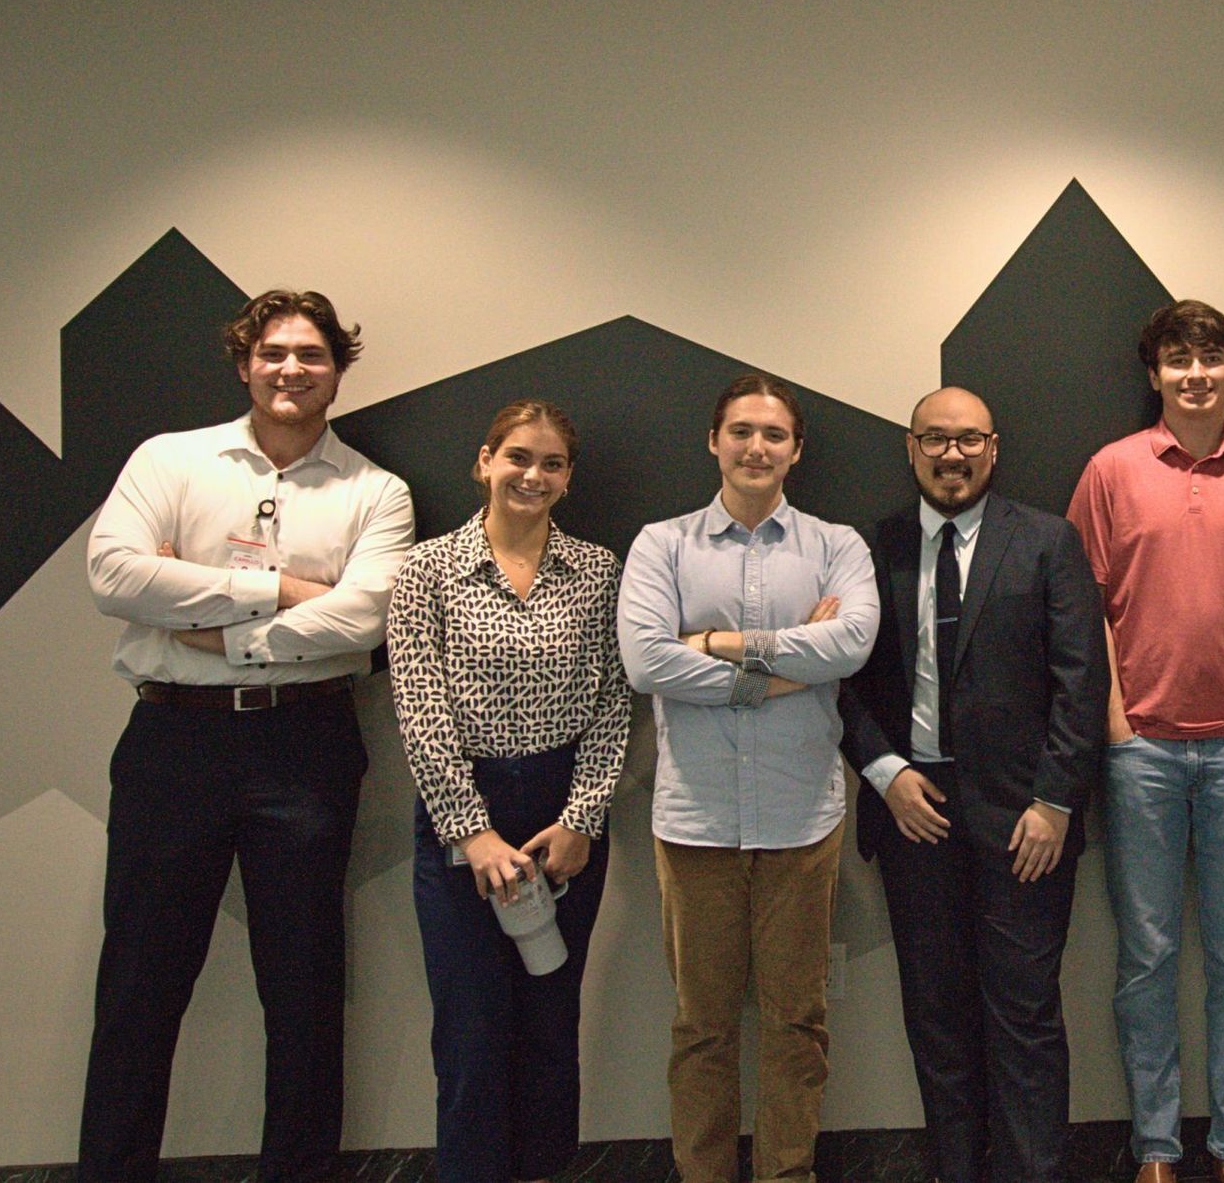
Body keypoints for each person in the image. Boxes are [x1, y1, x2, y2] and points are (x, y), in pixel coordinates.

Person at [80, 290, 414, 1182]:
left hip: (304, 747)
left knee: (303, 993)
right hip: (171, 743)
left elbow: (370, 616)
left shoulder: (376, 491)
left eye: (311, 354)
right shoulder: (170, 459)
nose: (291, 369)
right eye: (273, 353)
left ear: (339, 371)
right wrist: (281, 594)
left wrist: (212, 624)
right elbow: (113, 573)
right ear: (244, 363)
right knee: (138, 990)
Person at [1066, 300, 1224, 1183]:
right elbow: (1087, 605)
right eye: (1178, 358)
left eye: (1210, 357)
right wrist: (1115, 719)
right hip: (1137, 747)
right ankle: (1154, 1146)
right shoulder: (1111, 470)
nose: (1195, 374)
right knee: (1146, 957)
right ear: (1154, 373)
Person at [839, 386, 1109, 1183]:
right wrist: (886, 774)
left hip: (1026, 822)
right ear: (910, 448)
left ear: (993, 447)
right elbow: (838, 683)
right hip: (912, 814)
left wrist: (1056, 802)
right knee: (937, 1019)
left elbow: (1081, 682)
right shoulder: (868, 549)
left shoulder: (1047, 541)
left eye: (967, 440)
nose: (950, 455)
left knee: (1024, 1016)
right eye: (933, 439)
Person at [616, 373, 879, 1183]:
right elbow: (644, 659)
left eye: (773, 434)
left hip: (804, 819)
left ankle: (785, 1176)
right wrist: (783, 665)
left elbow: (854, 643)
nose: (756, 447)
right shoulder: (662, 544)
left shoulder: (839, 545)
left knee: (799, 1022)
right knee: (702, 1027)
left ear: (796, 449)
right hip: (694, 820)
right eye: (741, 431)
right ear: (713, 440)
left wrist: (721, 645)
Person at [387, 400, 631, 1183]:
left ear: (568, 476)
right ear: (484, 461)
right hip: (466, 815)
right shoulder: (427, 570)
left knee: (551, 1019)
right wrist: (472, 833)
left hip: (564, 820)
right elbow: (419, 708)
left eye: (552, 463)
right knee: (471, 1029)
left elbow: (613, 701)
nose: (533, 475)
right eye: (518, 457)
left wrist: (582, 817)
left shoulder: (598, 569)